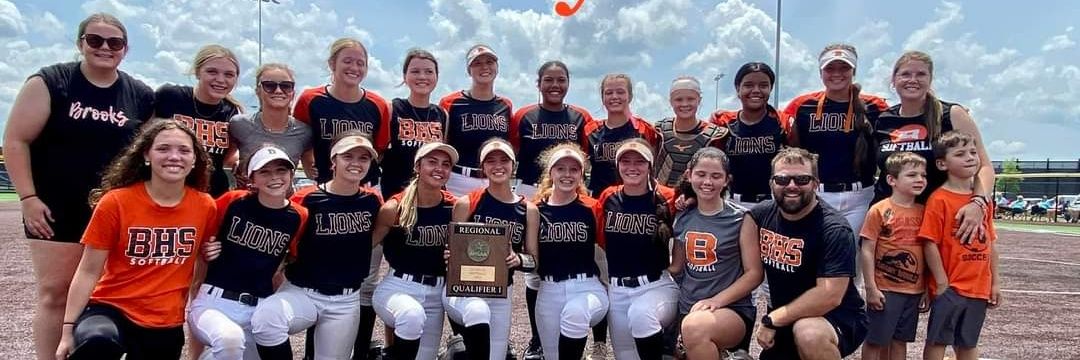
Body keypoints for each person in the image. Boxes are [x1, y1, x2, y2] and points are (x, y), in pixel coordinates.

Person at [2, 13, 154, 360]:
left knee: (110, 293)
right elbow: (15, 141)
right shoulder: (52, 81)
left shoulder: (140, 95)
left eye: (114, 42)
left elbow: (148, 152)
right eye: (95, 40)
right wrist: (28, 197)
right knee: (56, 292)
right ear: (80, 43)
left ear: (125, 49)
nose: (104, 48)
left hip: (114, 209)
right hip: (56, 205)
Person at [54, 119, 217, 359]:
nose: (174, 156)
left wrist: (211, 252)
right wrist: (68, 331)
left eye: (184, 150)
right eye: (163, 148)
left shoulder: (205, 206)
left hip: (164, 320)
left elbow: (201, 266)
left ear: (195, 160)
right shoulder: (116, 202)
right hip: (111, 309)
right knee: (98, 342)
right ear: (146, 155)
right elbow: (88, 271)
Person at [293, 38, 390, 358]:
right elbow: (304, 143)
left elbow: (378, 150)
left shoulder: (376, 104)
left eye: (360, 62)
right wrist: (320, 177)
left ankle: (358, 346)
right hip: (327, 187)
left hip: (367, 189)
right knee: (318, 262)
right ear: (332, 64)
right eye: (347, 61)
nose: (354, 67)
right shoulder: (311, 99)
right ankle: (314, 345)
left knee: (364, 274)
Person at [250, 133, 383, 360]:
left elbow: (378, 235)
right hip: (303, 291)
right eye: (348, 156)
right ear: (333, 162)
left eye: (363, 158)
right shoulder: (307, 198)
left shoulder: (372, 200)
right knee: (266, 320)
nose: (356, 163)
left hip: (345, 299)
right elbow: (280, 238)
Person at [189, 145, 308, 360]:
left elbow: (287, 259)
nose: (275, 177)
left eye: (281, 170)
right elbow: (199, 236)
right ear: (251, 177)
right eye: (265, 171)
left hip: (258, 309)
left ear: (291, 173)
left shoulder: (298, 215)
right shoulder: (234, 201)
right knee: (229, 340)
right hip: (215, 301)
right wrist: (205, 248)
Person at [749, 147, 867, 359]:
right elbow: (750, 272)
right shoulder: (759, 216)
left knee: (808, 333)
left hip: (832, 316)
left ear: (816, 183)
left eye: (802, 179)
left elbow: (829, 296)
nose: (792, 186)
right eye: (782, 179)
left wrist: (771, 319)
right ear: (771, 183)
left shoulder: (834, 229)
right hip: (785, 317)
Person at [510, 60, 593, 360]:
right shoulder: (524, 115)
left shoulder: (580, 116)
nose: (555, 85)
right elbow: (513, 151)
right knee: (534, 269)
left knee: (572, 248)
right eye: (548, 80)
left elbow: (585, 156)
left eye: (561, 79)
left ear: (569, 82)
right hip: (532, 189)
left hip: (569, 186)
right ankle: (536, 337)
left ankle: (582, 335)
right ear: (539, 83)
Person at [873, 50, 996, 243]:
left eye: (921, 74)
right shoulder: (884, 119)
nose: (912, 79)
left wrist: (978, 203)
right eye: (905, 74)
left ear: (930, 80)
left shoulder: (952, 114)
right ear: (894, 80)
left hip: (941, 217)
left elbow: (984, 166)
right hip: (892, 221)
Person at [444, 138, 540, 360]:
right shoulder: (467, 203)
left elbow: (534, 260)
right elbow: (451, 250)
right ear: (482, 167)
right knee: (477, 317)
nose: (498, 166)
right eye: (490, 161)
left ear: (513, 165)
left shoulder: (528, 209)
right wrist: (450, 256)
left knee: (496, 355)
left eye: (504, 160)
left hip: (500, 291)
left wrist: (518, 259)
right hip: (465, 291)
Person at [783, 43, 889, 235]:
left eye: (844, 68)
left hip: (860, 197)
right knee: (813, 258)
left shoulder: (875, 106)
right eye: (830, 68)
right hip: (816, 194)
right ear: (820, 72)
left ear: (854, 70)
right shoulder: (802, 105)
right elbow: (784, 141)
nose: (836, 73)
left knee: (852, 258)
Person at [671, 147, 761, 360]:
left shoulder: (741, 219)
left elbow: (754, 274)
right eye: (701, 174)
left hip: (730, 308)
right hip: (689, 306)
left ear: (727, 180)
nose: (707, 182)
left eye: (716, 176)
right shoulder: (683, 217)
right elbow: (678, 267)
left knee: (695, 328)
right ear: (689, 175)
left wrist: (717, 301)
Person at [372, 141, 459, 360]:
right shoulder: (395, 207)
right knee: (411, 316)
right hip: (399, 286)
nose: (439, 168)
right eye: (432, 162)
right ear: (417, 167)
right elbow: (366, 246)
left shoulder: (454, 208)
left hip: (436, 292)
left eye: (445, 164)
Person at [594, 138, 678, 360]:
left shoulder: (667, 197)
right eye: (626, 161)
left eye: (640, 162)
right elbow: (602, 238)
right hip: (618, 289)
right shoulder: (608, 196)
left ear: (650, 166)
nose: (632, 167)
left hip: (655, 286)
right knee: (626, 356)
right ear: (618, 165)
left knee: (641, 315)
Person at [919, 132, 1000, 360]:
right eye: (960, 154)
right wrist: (941, 282)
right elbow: (929, 242)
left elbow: (991, 243)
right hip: (951, 286)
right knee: (938, 340)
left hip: (978, 287)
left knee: (968, 342)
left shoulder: (983, 201)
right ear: (942, 163)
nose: (970, 158)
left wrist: (994, 282)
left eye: (973, 152)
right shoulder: (939, 199)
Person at [531, 144, 609, 360]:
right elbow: (524, 252)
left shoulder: (592, 207)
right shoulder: (534, 209)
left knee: (576, 313)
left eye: (574, 169)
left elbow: (608, 247)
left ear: (582, 175)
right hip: (548, 289)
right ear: (551, 172)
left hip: (587, 287)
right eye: (560, 168)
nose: (567, 174)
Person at [858, 152, 929, 360]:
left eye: (923, 175)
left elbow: (926, 251)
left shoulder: (924, 211)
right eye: (912, 175)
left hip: (913, 289)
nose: (919, 180)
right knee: (875, 340)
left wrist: (925, 287)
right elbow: (867, 249)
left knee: (900, 341)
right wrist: (871, 287)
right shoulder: (879, 210)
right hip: (885, 289)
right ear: (892, 180)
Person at [154, 44, 242, 197]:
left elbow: (225, 156)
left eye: (229, 74)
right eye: (212, 72)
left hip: (211, 194)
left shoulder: (231, 111)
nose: (220, 80)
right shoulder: (170, 96)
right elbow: (145, 139)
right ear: (197, 72)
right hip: (167, 191)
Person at [439, 44, 515, 196]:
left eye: (489, 62)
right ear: (469, 70)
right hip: (458, 178)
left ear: (497, 67)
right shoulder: (450, 102)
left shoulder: (505, 105)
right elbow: (442, 144)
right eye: (477, 63)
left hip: (493, 179)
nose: (484, 67)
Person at [711, 62, 788, 207]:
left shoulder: (781, 122)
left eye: (764, 85)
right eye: (748, 85)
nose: (756, 90)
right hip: (734, 203)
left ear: (771, 88)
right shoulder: (723, 122)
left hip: (773, 204)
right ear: (737, 88)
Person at [228, 63, 314, 181]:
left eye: (286, 86)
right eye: (269, 85)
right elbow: (226, 158)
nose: (278, 91)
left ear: (293, 92)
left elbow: (312, 172)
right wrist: (241, 162)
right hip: (247, 197)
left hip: (285, 197)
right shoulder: (238, 124)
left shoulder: (305, 132)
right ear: (258, 91)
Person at [382, 49, 449, 199]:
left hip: (432, 196)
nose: (422, 77)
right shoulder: (392, 108)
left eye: (429, 72)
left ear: (437, 77)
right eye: (415, 71)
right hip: (396, 195)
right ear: (405, 76)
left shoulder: (442, 114)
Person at [584, 73, 660, 197]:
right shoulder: (591, 131)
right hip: (600, 200)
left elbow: (655, 167)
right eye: (609, 93)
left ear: (630, 96)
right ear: (602, 97)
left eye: (620, 92)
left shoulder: (644, 129)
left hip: (637, 200)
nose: (614, 97)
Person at [652, 76, 727, 188]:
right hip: (660, 199)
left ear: (699, 100)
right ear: (671, 101)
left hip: (698, 200)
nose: (685, 104)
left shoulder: (715, 136)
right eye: (679, 99)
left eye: (690, 99)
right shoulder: (659, 131)